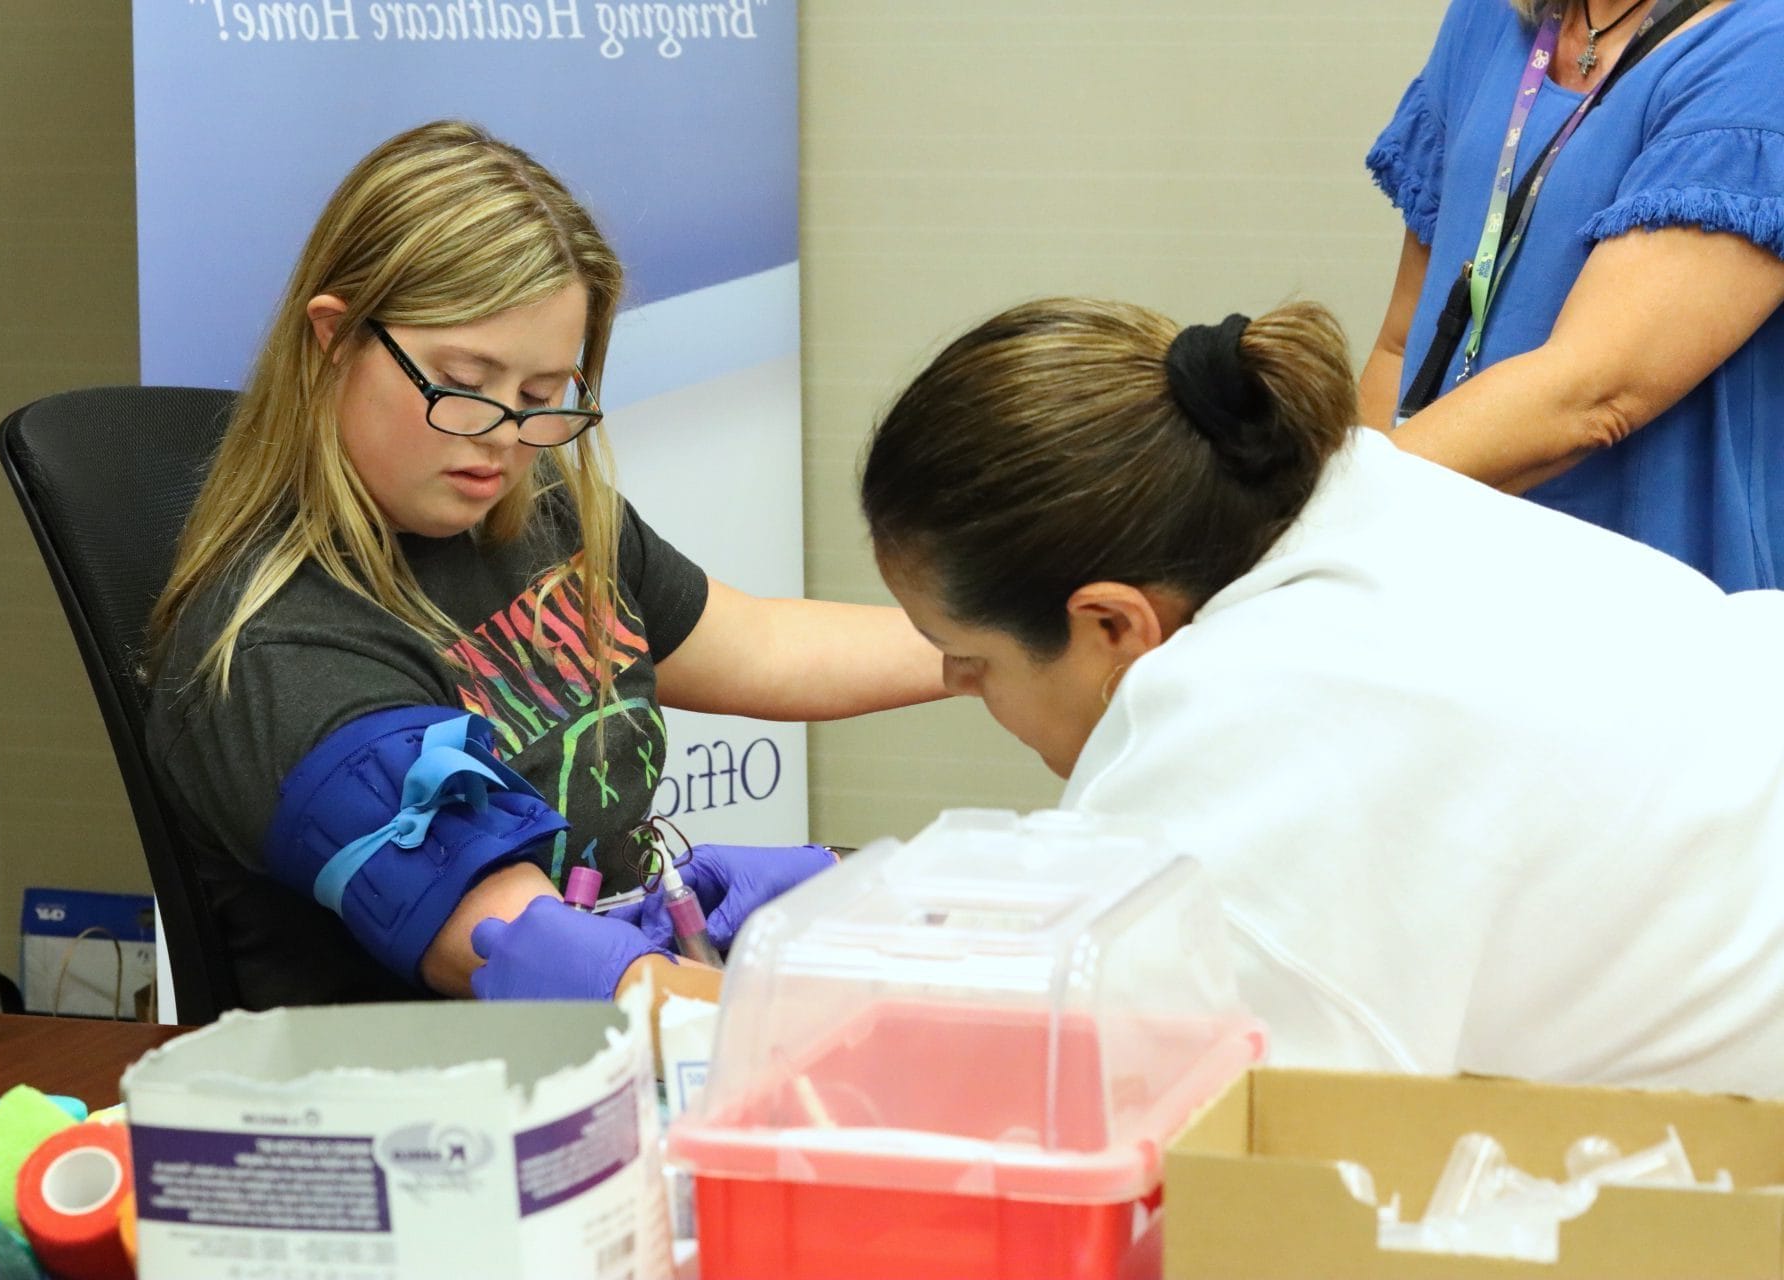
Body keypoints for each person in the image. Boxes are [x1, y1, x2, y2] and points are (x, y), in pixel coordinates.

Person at [860, 295, 1784, 1096]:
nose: (951, 681)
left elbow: (1230, 1160)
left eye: (966, 657)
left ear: (1110, 623)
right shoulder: (1361, 491)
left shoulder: (1236, 749)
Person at [145, 120, 943, 1012]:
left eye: (539, 394)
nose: (503, 437)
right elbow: (536, 954)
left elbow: (755, 643)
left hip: (614, 1036)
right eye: (463, 384)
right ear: (335, 338)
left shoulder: (529, 505)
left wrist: (993, 643)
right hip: (449, 1084)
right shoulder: (283, 657)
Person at [1360, 0, 1784, 591]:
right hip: (1425, 568)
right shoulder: (1487, 17)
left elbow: (1590, 395)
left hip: (1636, 600)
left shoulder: (1765, 46)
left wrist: (1333, 516)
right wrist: (1350, 573)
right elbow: (1400, 343)